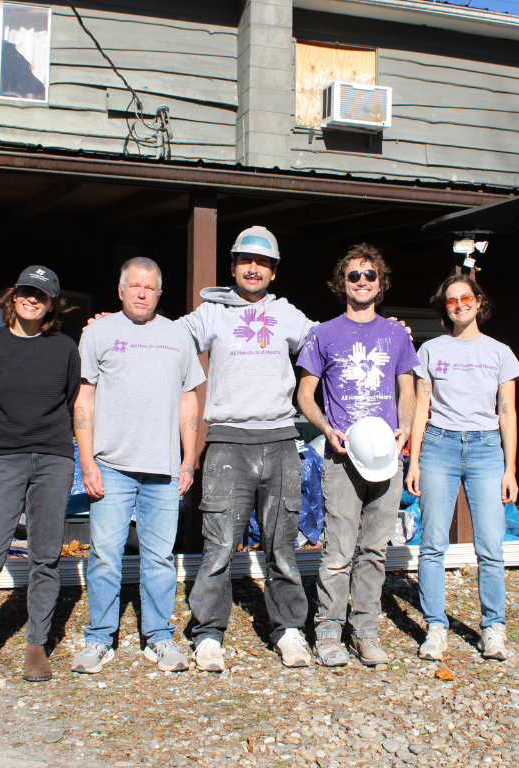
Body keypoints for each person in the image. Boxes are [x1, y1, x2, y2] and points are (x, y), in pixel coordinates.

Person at [181, 226, 316, 671]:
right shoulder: (210, 314)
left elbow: (329, 345)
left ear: (273, 271)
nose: (253, 269)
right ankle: (207, 634)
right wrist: (115, 324)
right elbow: (165, 341)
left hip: (279, 441)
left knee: (281, 545)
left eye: (262, 263)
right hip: (225, 443)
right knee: (219, 545)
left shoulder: (288, 315)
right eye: (245, 261)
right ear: (234, 266)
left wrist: (383, 330)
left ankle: (289, 629)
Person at [71, 256, 205, 674]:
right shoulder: (98, 332)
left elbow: (190, 400)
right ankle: (99, 638)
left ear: (159, 294)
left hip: (164, 468)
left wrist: (189, 460)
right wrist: (87, 461)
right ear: (121, 289)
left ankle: (159, 638)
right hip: (110, 464)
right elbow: (84, 398)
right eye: (135, 286)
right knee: (106, 556)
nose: (143, 293)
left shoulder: (177, 335)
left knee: (160, 558)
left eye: (150, 287)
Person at [0, 265, 80, 688]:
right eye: (25, 291)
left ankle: (37, 645)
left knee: (45, 556)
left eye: (40, 295)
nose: (31, 299)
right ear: (13, 296)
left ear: (52, 306)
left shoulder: (65, 349)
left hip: (54, 460)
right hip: (3, 459)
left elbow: (72, 399)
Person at [295, 243, 419, 667]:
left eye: (370, 275)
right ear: (340, 284)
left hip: (387, 455)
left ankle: (365, 631)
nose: (362, 282)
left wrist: (403, 428)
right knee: (338, 550)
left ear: (380, 283)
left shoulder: (396, 334)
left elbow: (408, 389)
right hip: (342, 457)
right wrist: (326, 428)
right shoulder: (322, 334)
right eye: (354, 276)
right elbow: (304, 394)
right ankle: (328, 631)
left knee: (374, 551)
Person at [405, 274, 519, 662]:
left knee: (490, 546)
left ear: (478, 301)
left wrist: (510, 468)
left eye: (465, 298)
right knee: (433, 544)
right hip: (439, 446)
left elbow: (507, 413)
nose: (459, 305)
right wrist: (415, 460)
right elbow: (422, 408)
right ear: (445, 308)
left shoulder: (499, 352)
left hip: (487, 449)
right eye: (451, 301)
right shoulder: (430, 350)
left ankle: (493, 629)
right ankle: (436, 627)